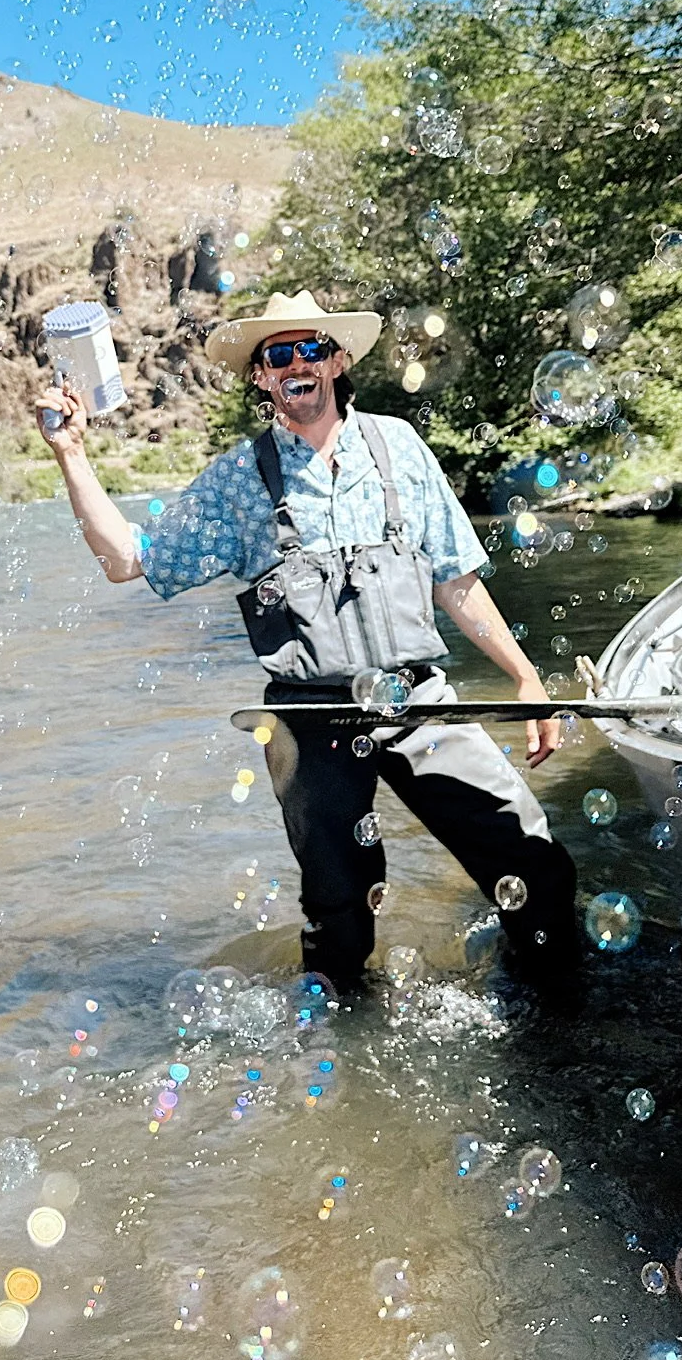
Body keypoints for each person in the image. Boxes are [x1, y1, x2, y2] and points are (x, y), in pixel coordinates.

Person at [37, 286, 578, 992]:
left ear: (338, 359)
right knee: (340, 914)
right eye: (278, 353)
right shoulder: (238, 480)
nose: (297, 362)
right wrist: (71, 455)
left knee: (533, 860)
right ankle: (347, 1049)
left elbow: (457, 580)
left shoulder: (400, 448)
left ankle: (550, 1005)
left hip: (420, 704)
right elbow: (127, 561)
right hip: (308, 722)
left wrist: (526, 680)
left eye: (312, 348)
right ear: (261, 377)